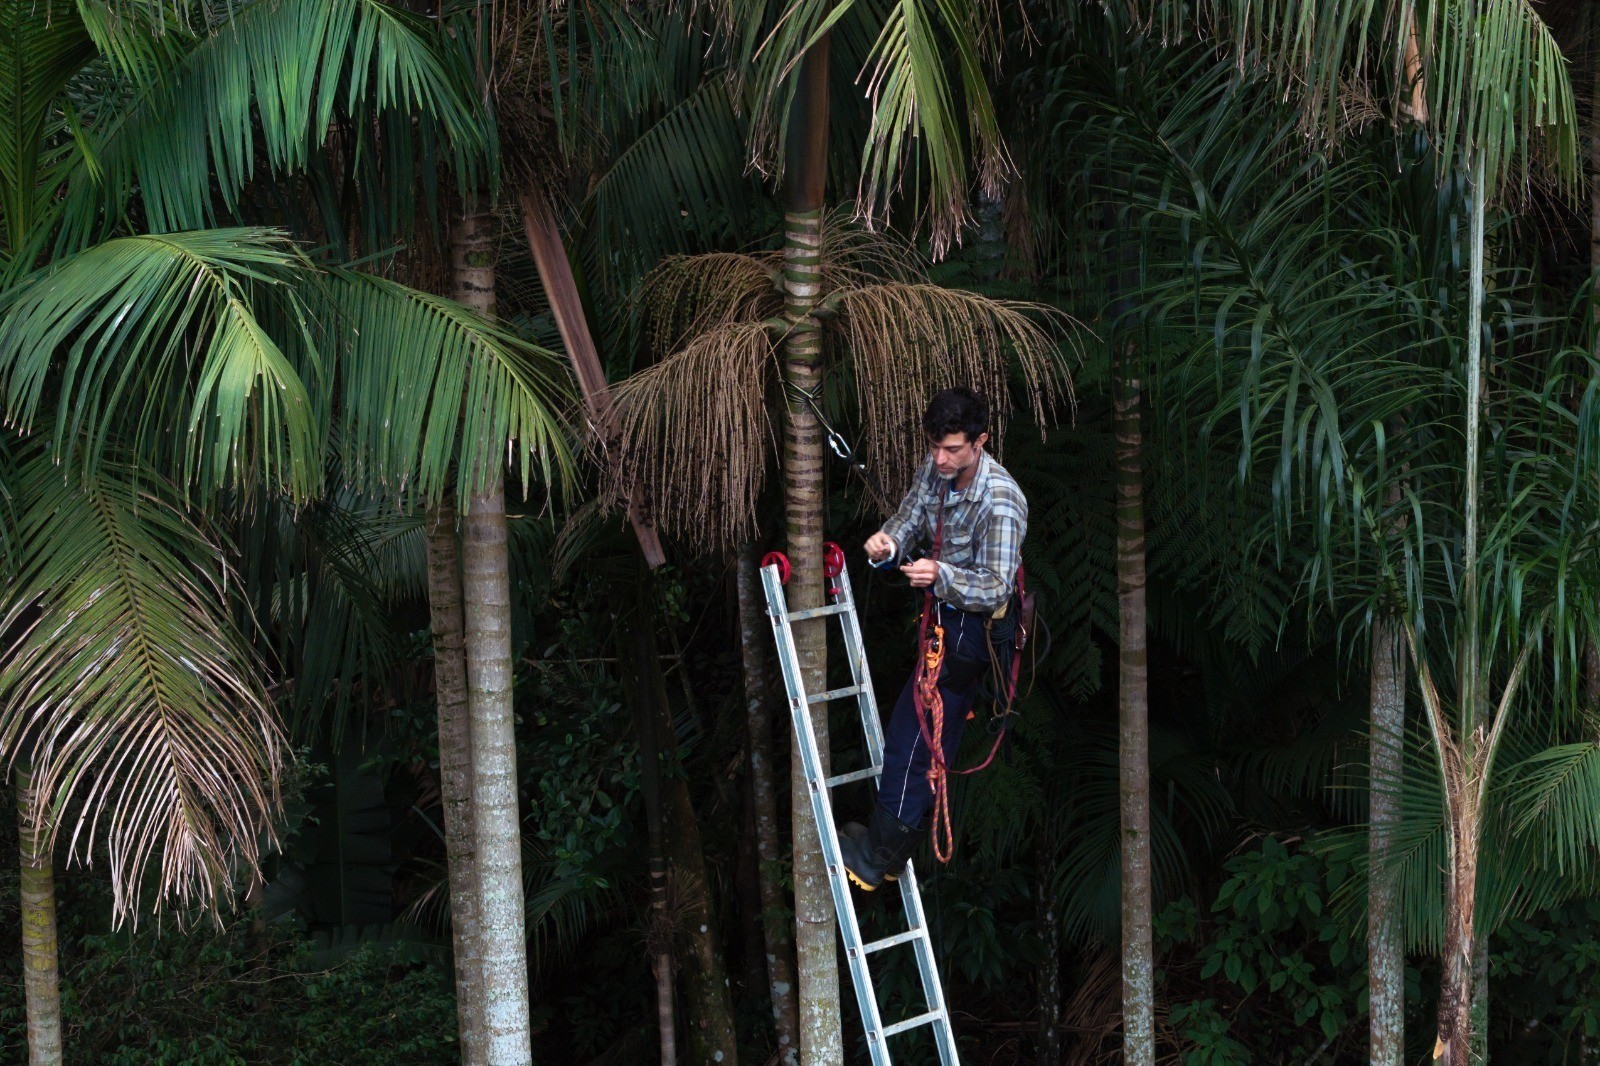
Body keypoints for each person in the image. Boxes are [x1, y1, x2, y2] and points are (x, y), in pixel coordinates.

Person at [841, 387, 1028, 891]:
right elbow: (911, 516)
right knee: (922, 736)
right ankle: (891, 850)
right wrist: (888, 543)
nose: (940, 459)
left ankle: (876, 857)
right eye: (934, 447)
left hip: (972, 631)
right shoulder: (937, 469)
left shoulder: (1001, 500)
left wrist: (939, 574)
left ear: (980, 441)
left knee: (913, 737)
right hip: (942, 617)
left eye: (952, 449)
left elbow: (996, 586)